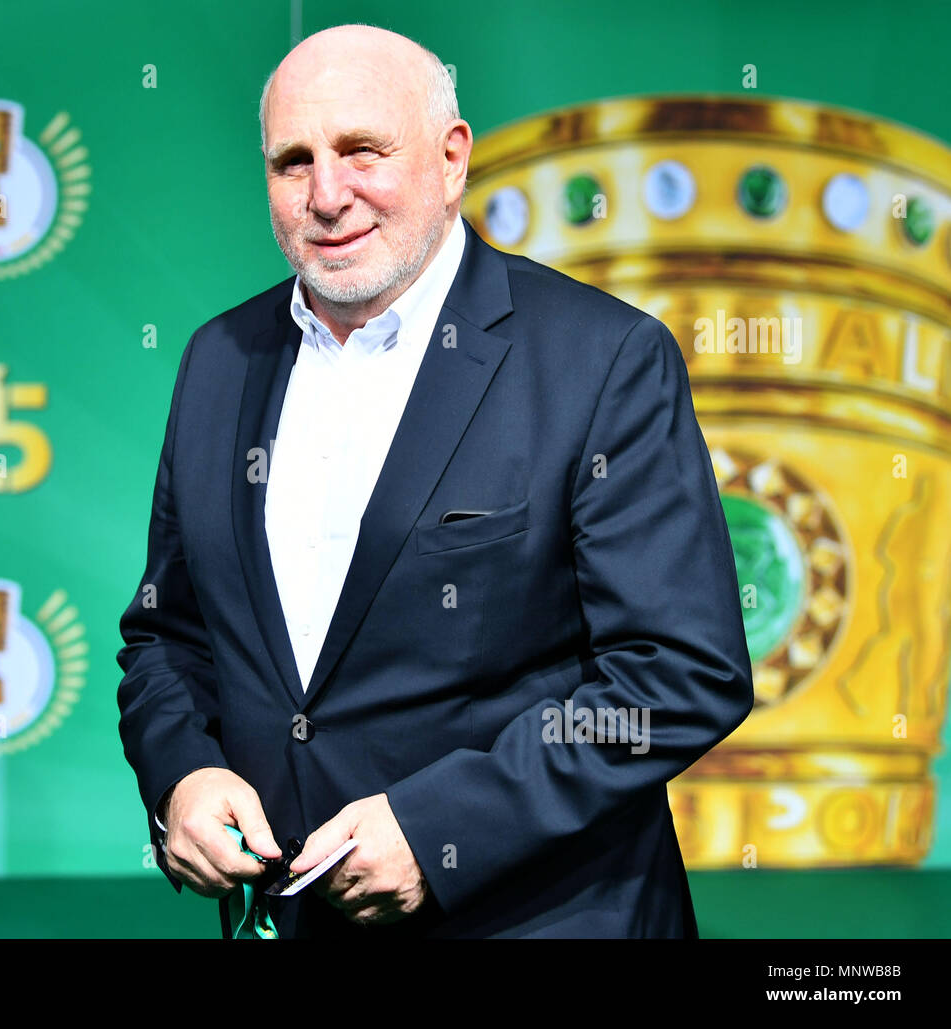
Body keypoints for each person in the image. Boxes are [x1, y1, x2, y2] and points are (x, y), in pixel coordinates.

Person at [116, 24, 754, 938]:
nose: (327, 194)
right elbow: (167, 636)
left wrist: (443, 828)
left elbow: (679, 674)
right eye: (292, 162)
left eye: (362, 151)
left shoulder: (600, 358)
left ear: (452, 159)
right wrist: (181, 772)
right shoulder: (218, 359)